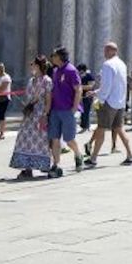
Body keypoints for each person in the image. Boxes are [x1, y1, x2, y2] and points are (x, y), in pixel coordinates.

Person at [85, 42, 132, 167]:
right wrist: (96, 92)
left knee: (101, 129)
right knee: (119, 128)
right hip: (119, 102)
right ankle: (130, 155)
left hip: (108, 102)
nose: (104, 53)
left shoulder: (108, 65)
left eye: (106, 50)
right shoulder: (122, 64)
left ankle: (93, 158)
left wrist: (99, 98)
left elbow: (106, 86)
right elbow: (119, 84)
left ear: (112, 51)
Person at [10, 55, 54, 179]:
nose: (31, 66)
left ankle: (41, 164)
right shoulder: (31, 80)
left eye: (32, 64)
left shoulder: (47, 80)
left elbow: (48, 99)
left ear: (38, 66)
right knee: (24, 139)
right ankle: (27, 168)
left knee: (39, 140)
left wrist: (45, 114)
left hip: (39, 114)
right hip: (29, 114)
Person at [47, 47, 83, 178]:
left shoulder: (71, 70)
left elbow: (78, 89)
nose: (52, 57)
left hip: (67, 110)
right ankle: (56, 165)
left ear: (60, 57)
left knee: (69, 140)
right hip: (56, 110)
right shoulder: (56, 71)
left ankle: (78, 154)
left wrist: (74, 108)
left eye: (54, 55)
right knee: (54, 139)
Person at [0, 63, 12, 140]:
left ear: (0, 70)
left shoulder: (6, 78)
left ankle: (2, 133)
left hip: (4, 98)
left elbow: (1, 89)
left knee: (1, 116)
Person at [77, 64, 96, 133]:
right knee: (82, 112)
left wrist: (80, 87)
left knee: (86, 112)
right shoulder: (79, 76)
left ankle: (86, 127)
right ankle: (84, 126)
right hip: (81, 97)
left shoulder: (89, 76)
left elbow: (91, 86)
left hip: (88, 96)